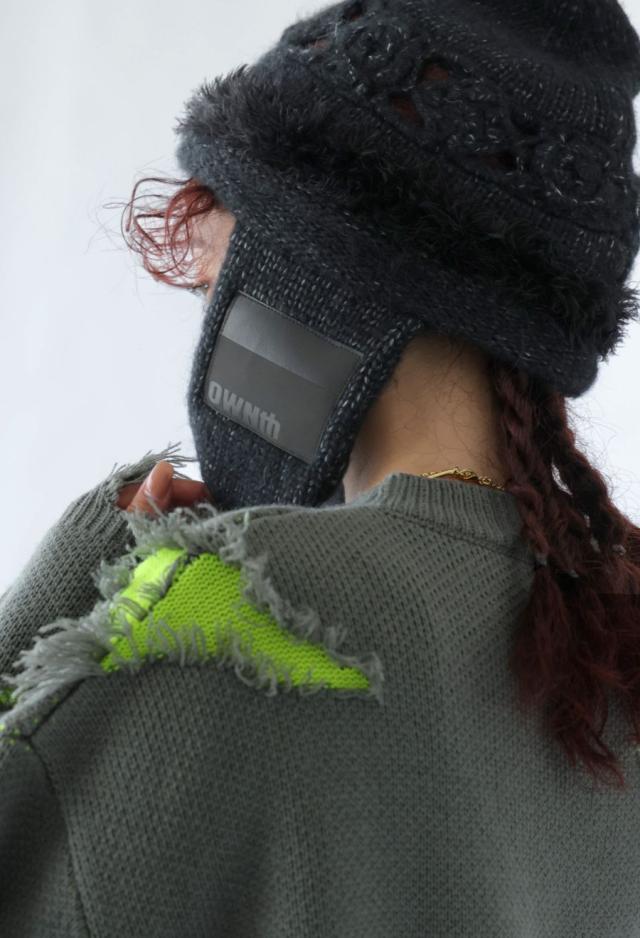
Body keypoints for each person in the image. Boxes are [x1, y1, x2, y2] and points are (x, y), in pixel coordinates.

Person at [2, 1, 640, 935]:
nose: (205, 281)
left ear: (306, 266)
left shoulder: (224, 612)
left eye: (216, 260)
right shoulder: (614, 637)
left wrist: (63, 589)